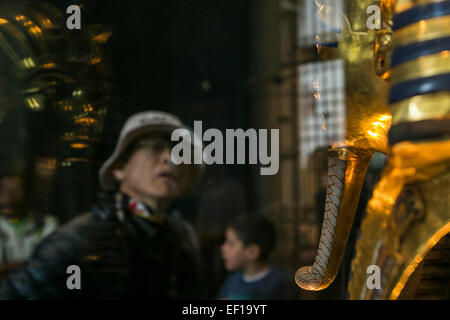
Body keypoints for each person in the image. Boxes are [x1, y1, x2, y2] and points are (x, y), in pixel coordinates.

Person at [0, 111, 205, 299]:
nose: (171, 158)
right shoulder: (82, 238)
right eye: (154, 146)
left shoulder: (182, 237)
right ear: (119, 168)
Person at [217, 215, 299, 300]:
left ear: (252, 252)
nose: (223, 248)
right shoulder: (231, 282)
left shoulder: (281, 283)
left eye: (231, 244)